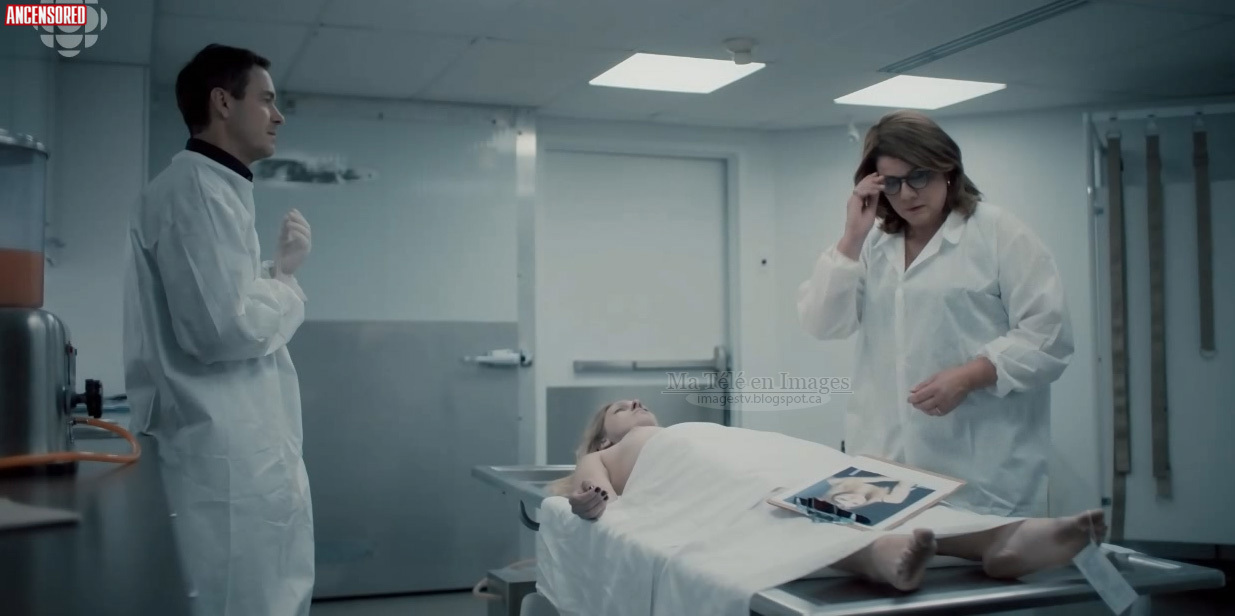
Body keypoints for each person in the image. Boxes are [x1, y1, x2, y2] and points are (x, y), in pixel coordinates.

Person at [796, 110, 1074, 517]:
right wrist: (852, 236)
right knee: (893, 556)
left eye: (919, 176)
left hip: (981, 471)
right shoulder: (874, 244)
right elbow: (823, 323)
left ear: (947, 170)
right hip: (884, 464)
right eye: (892, 183)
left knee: (977, 555)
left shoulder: (998, 233)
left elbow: (1049, 336)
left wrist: (969, 376)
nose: (907, 194)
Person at [123, 43, 314, 616]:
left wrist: (271, 276)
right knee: (239, 596)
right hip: (219, 454)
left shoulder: (216, 190)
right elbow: (221, 330)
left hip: (232, 446)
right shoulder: (197, 192)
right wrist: (286, 281)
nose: (278, 116)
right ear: (223, 103)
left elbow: (221, 301)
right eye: (266, 100)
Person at [550, 400, 1105, 592]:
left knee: (837, 482)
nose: (635, 404)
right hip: (700, 472)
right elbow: (591, 490)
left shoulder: (688, 429)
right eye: (620, 407)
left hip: (749, 450)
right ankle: (876, 553)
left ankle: (1000, 538)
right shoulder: (611, 451)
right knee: (773, 502)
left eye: (639, 403)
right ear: (603, 436)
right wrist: (592, 499)